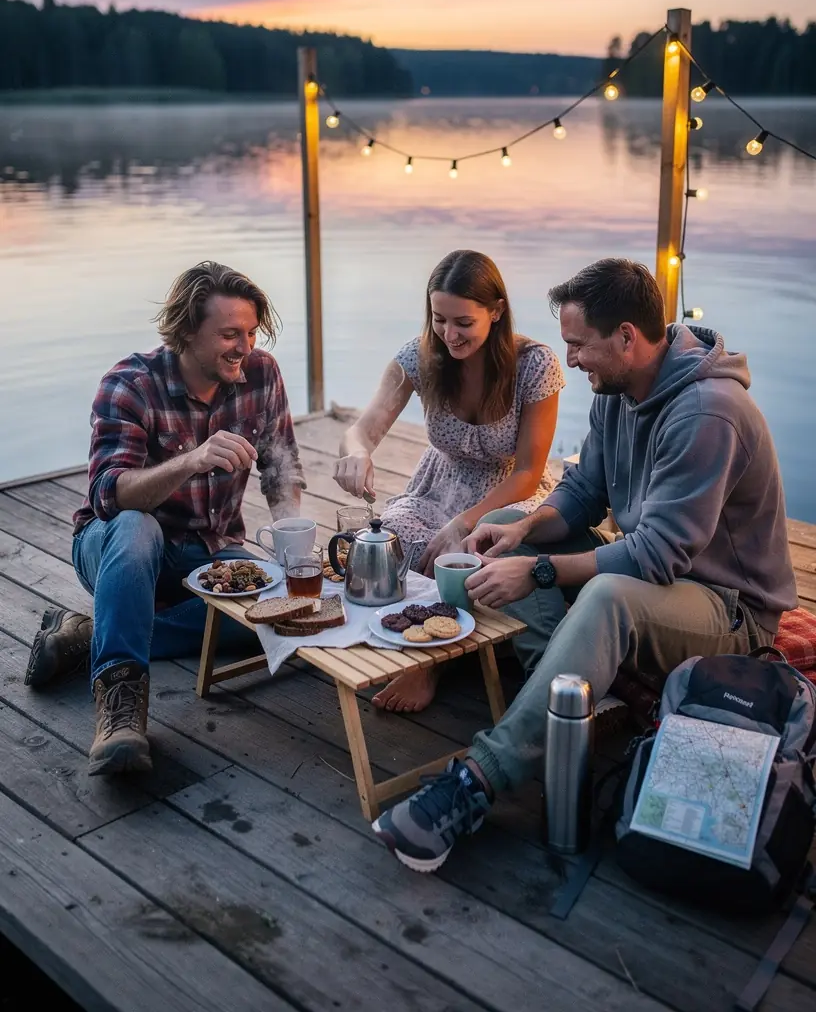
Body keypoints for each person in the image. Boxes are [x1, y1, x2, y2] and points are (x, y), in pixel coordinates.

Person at [371, 257, 798, 872]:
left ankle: (476, 781)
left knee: (603, 598)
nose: (568, 359)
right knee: (516, 548)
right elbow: (581, 493)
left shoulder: (708, 412)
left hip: (726, 606)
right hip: (658, 579)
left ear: (627, 336)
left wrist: (541, 573)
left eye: (578, 344)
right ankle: (567, 697)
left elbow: (656, 554)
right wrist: (519, 529)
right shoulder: (619, 389)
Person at [25, 261, 304, 777]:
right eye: (229, 334)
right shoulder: (129, 385)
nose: (245, 347)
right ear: (186, 333)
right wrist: (192, 459)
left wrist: (293, 549)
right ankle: (120, 709)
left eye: (250, 332)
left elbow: (281, 468)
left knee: (283, 618)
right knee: (138, 526)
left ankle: (90, 633)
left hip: (213, 552)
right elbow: (110, 495)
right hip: (115, 544)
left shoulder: (261, 374)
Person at [334, 249, 564, 711]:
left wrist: (462, 523)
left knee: (472, 551)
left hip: (509, 493)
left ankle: (431, 664)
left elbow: (528, 472)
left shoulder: (535, 366)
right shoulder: (420, 358)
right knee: (390, 539)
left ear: (496, 312)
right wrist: (356, 453)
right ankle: (416, 630)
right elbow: (363, 427)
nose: (448, 334)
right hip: (439, 484)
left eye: (463, 322)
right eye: (439, 319)